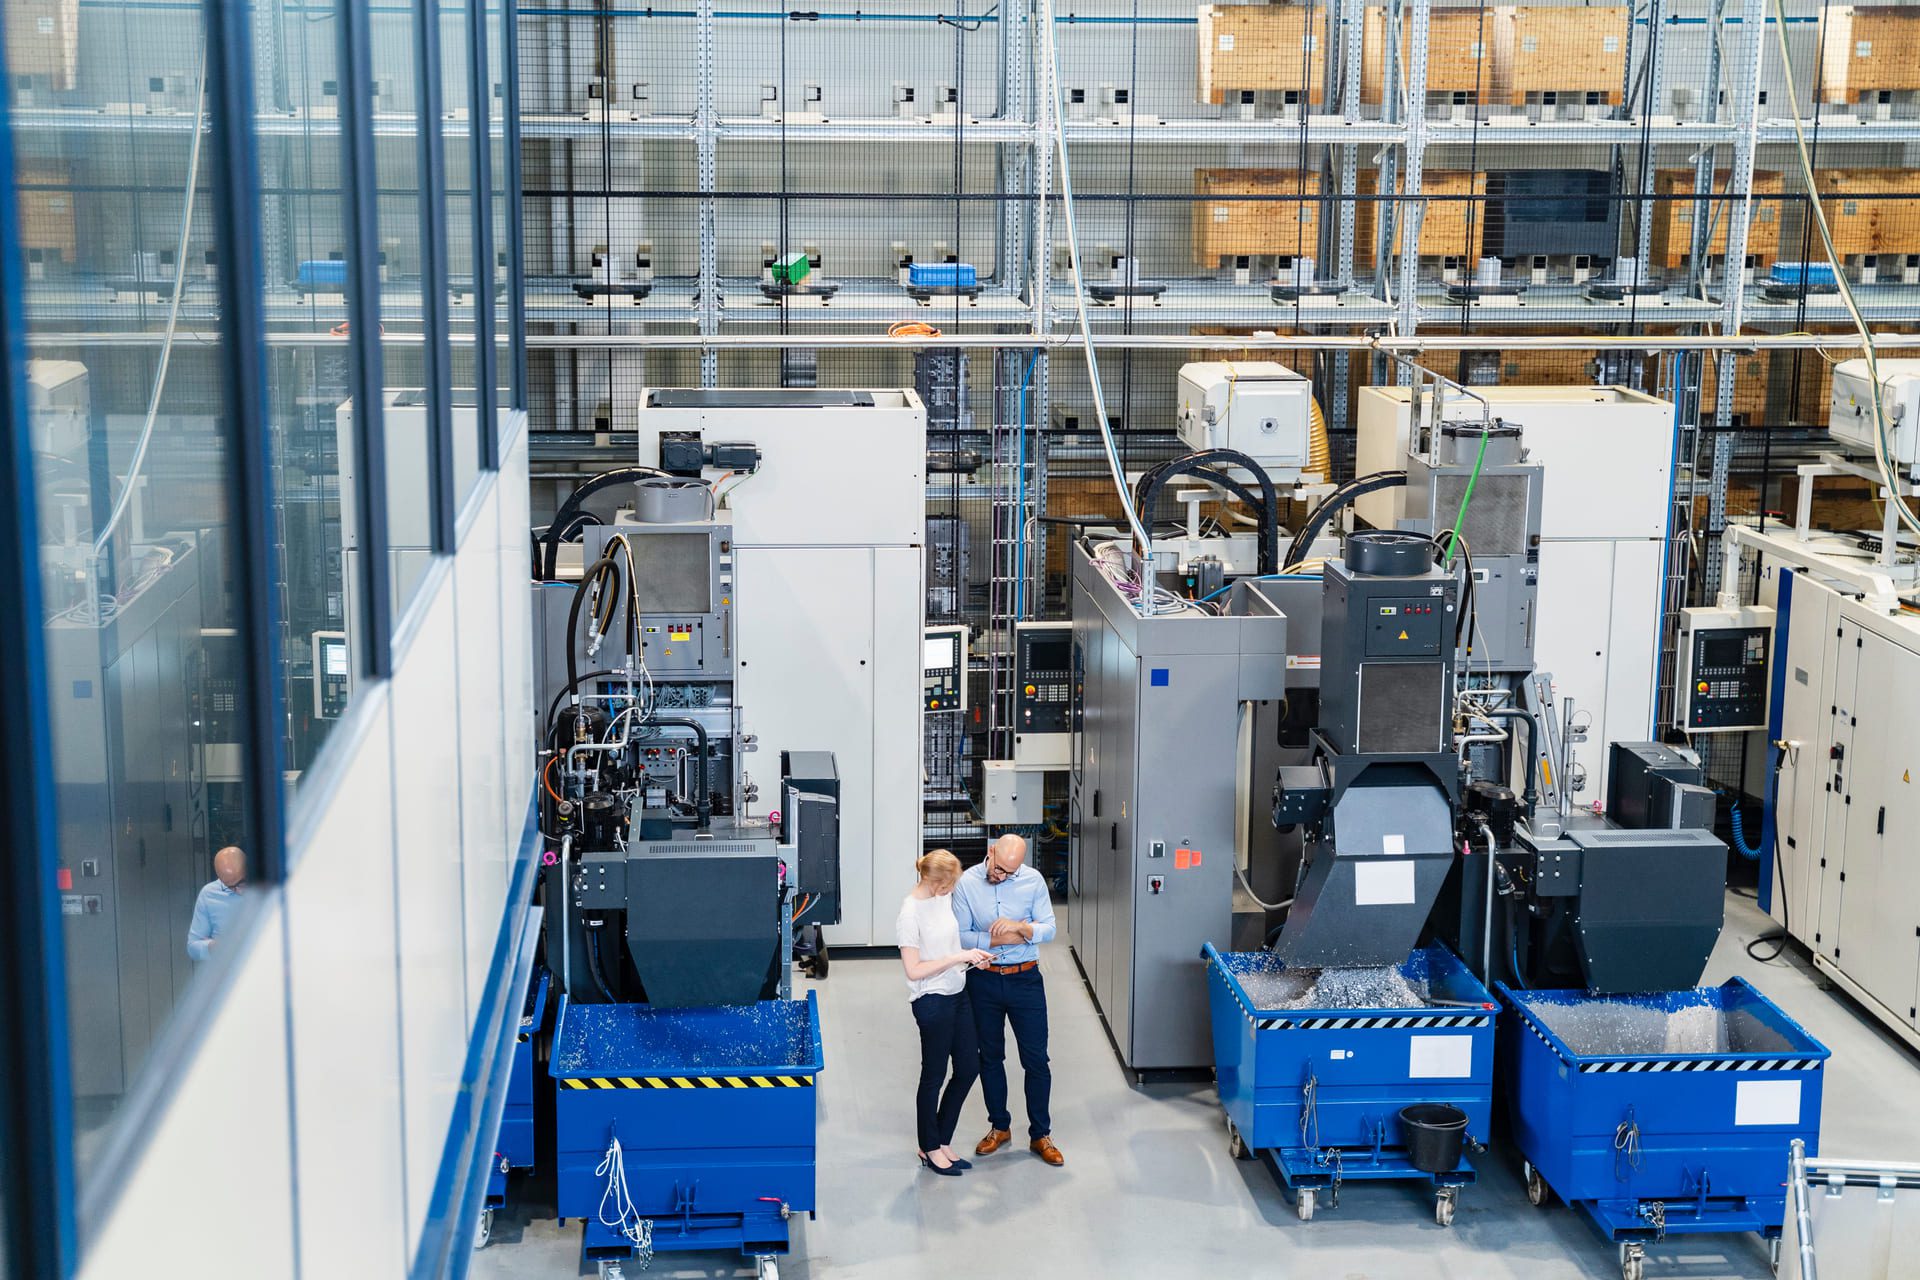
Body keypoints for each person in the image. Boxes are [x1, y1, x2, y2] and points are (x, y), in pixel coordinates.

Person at [952, 833, 1063, 1166]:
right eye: (999, 868)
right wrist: (1000, 938)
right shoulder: (967, 884)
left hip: (1025, 980)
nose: (1000, 876)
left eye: (1009, 873)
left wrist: (1021, 928)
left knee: (1036, 1059)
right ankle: (999, 1126)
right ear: (991, 852)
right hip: (982, 980)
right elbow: (961, 935)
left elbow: (1050, 928)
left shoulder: (1032, 881)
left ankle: (1040, 1134)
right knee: (989, 1056)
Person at [896, 849, 993, 1176]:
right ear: (935, 882)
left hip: (957, 991)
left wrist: (969, 956)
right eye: (949, 884)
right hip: (932, 1001)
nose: (953, 889)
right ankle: (929, 1145)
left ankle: (942, 1138)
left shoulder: (941, 899)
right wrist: (958, 958)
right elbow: (914, 969)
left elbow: (948, 945)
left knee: (969, 1067)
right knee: (933, 1075)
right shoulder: (910, 914)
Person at [186, 846, 247, 962]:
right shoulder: (209, 893)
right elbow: (192, 947)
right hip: (230, 971)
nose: (239, 891)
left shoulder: (271, 886)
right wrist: (212, 947)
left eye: (241, 882)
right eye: (229, 887)